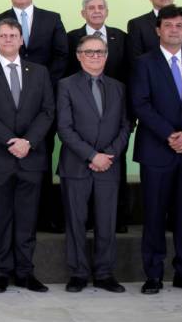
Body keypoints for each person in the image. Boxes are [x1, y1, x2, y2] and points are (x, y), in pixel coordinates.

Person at [0, 0, 67, 233]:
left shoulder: (51, 18)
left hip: (40, 104)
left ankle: (43, 217)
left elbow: (61, 56)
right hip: (3, 110)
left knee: (38, 166)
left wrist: (41, 87)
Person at [0, 18, 55, 294]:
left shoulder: (40, 71)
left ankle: (25, 272)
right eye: (3, 36)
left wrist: (29, 141)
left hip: (31, 156)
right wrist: (10, 140)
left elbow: (48, 111)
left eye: (13, 35)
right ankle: (0, 272)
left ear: (22, 40)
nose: (8, 39)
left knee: (27, 217)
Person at [132, 5, 182, 295]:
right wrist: (170, 135)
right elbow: (140, 104)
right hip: (156, 151)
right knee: (154, 215)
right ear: (158, 30)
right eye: (168, 25)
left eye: (179, 26)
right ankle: (154, 275)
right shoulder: (143, 63)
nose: (174, 30)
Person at [57, 35, 129, 294]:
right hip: (76, 165)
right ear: (79, 56)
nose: (95, 56)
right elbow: (64, 128)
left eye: (100, 52)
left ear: (106, 55)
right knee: (76, 221)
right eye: (89, 52)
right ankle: (78, 273)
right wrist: (91, 155)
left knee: (106, 222)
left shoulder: (118, 87)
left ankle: (104, 273)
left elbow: (125, 126)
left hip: (109, 165)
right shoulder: (65, 85)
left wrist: (107, 155)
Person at [65, 0, 131, 232]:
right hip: (81, 115)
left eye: (100, 7)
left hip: (114, 112)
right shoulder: (71, 37)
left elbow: (128, 71)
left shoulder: (121, 37)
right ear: (83, 12)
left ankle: (117, 219)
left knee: (113, 176)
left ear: (107, 11)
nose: (96, 11)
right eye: (90, 8)